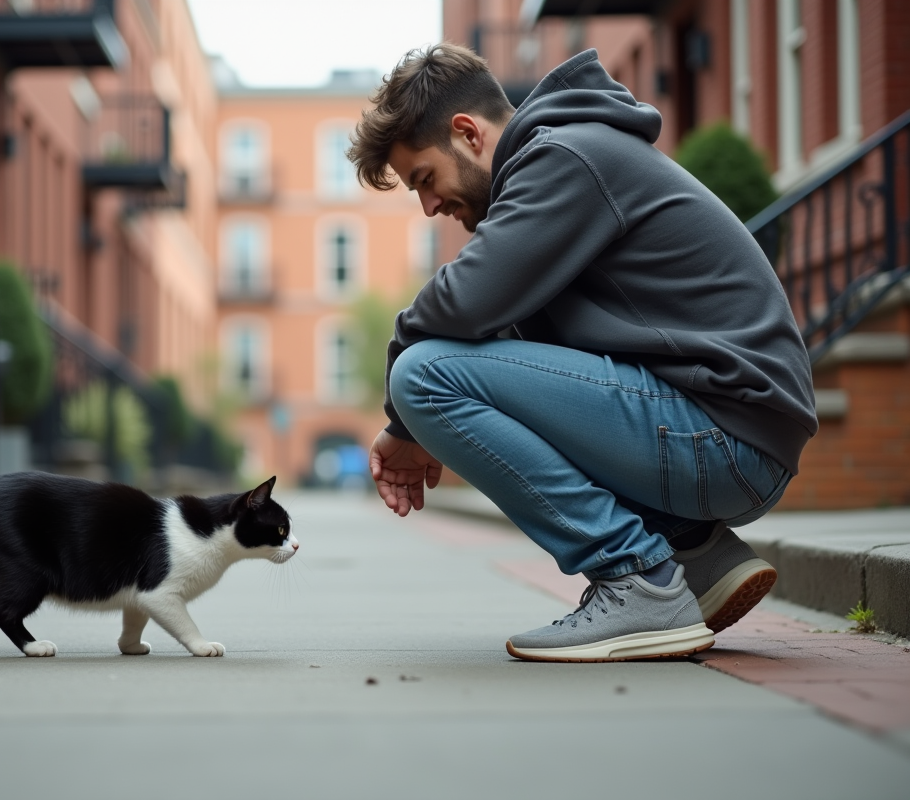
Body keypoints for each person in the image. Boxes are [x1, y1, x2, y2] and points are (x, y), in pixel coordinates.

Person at [347, 44, 817, 662]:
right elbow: (513, 349)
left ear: (467, 132)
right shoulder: (564, 158)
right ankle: (694, 551)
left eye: (425, 180)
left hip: (726, 438)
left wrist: (402, 420)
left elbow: (460, 303)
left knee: (423, 373)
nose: (430, 206)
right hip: (728, 432)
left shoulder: (564, 159)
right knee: (462, 364)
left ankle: (636, 579)